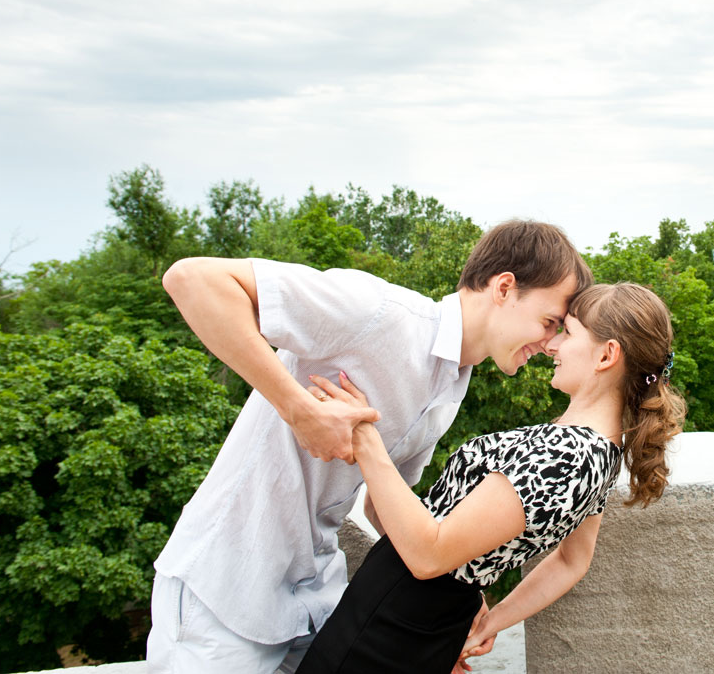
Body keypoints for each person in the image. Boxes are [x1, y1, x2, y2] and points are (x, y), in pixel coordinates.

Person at [147, 220, 592, 674]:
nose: (551, 342)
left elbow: (386, 507)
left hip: (313, 598)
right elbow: (192, 280)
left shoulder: (455, 380)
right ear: (503, 288)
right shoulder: (379, 312)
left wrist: (455, 589)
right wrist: (297, 408)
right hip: (226, 593)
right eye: (549, 321)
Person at [294, 282, 686, 674]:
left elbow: (430, 555)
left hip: (394, 621)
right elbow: (571, 561)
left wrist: (365, 439)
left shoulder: (567, 455)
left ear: (607, 354)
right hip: (426, 620)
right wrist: (487, 622)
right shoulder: (599, 454)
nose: (552, 346)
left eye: (568, 332)